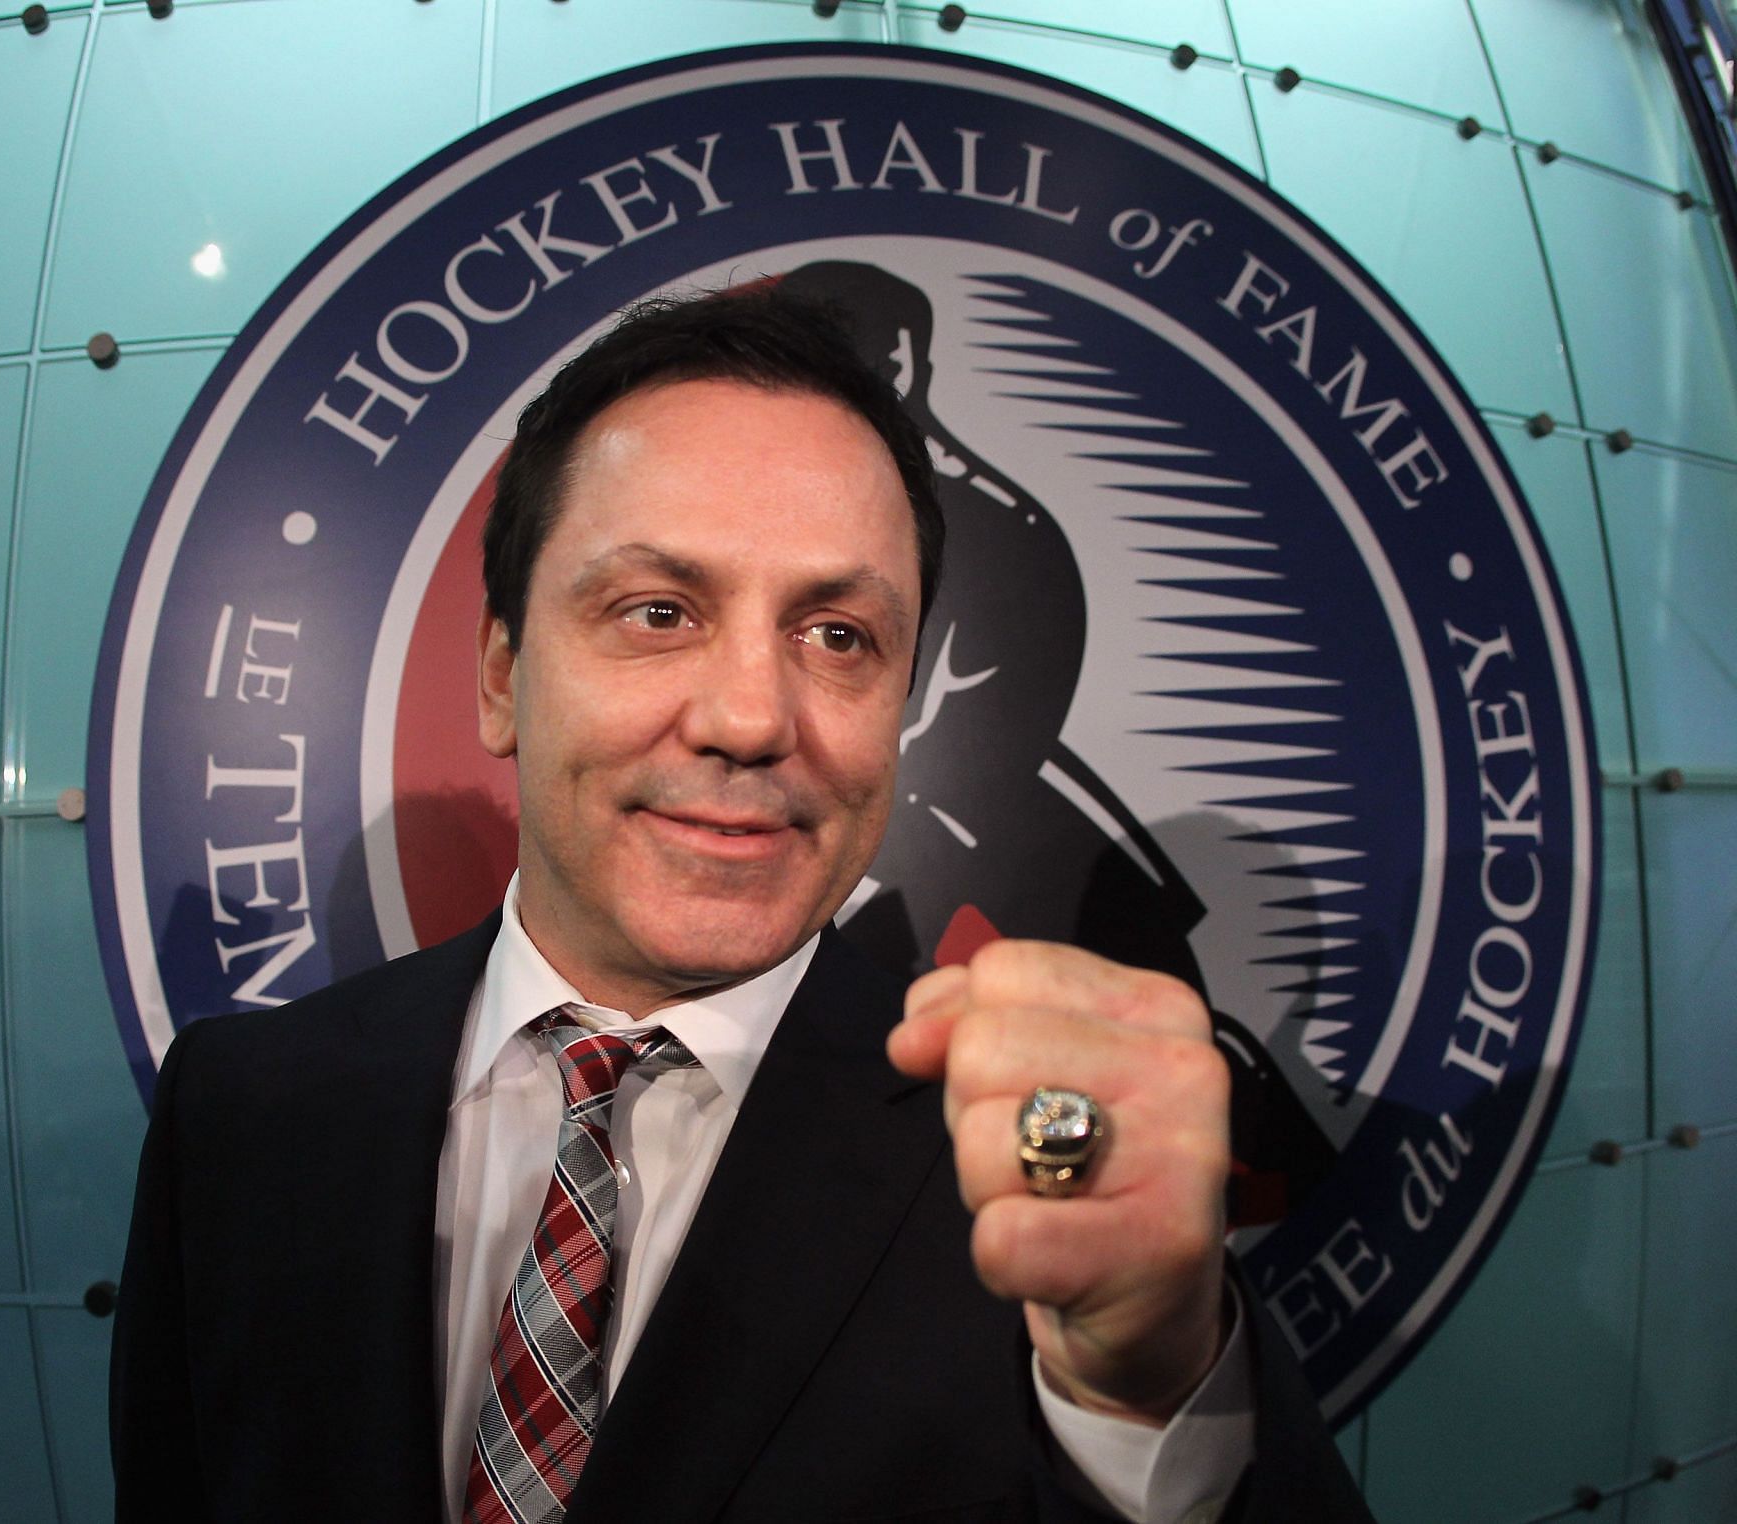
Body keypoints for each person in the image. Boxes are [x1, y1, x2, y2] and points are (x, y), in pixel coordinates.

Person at [110, 286, 1374, 1523]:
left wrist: (1152, 1391)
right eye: (657, 612)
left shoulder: (1028, 1174)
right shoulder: (241, 1114)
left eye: (836, 637)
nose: (752, 720)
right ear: (502, 676)